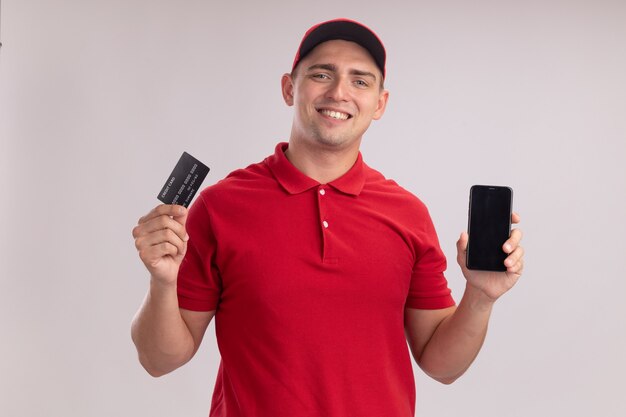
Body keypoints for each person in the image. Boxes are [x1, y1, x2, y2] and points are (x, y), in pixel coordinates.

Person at [131, 18, 524, 417]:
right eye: (322, 74)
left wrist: (480, 296)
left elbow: (442, 366)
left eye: (360, 81)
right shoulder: (220, 207)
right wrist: (162, 282)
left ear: (380, 103)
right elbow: (159, 360)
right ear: (289, 88)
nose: (339, 93)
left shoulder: (408, 213)